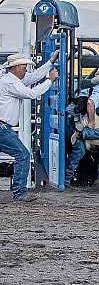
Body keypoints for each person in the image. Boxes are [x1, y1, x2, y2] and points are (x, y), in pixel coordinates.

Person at [0, 52, 59, 202]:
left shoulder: (10, 80)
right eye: (24, 66)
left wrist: (50, 62)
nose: (26, 69)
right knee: (23, 155)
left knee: (22, 155)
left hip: (3, 127)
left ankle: (19, 192)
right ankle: (19, 193)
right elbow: (32, 93)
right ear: (17, 67)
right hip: (3, 128)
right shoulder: (10, 83)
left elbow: (33, 77)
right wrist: (50, 81)